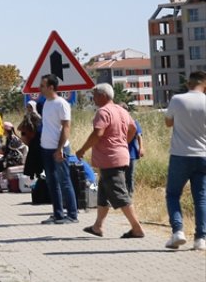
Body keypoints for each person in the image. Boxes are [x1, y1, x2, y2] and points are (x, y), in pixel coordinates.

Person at [75, 83, 145, 239]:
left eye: (95, 95)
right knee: (103, 194)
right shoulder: (122, 111)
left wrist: (82, 149)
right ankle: (97, 226)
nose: (93, 99)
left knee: (120, 195)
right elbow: (133, 129)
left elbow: (97, 133)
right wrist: (123, 143)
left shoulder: (103, 112)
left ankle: (136, 228)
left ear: (103, 96)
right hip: (119, 156)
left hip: (110, 158)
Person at [164, 70, 206, 250]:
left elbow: (168, 123)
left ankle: (178, 231)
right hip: (203, 155)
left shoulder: (177, 100)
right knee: (201, 198)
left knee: (173, 194)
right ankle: (201, 239)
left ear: (188, 83)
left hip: (180, 154)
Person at [39, 74, 78, 225]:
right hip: (46, 148)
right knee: (51, 181)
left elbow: (66, 127)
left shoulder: (61, 103)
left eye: (42, 86)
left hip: (59, 148)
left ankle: (72, 215)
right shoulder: (46, 103)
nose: (40, 88)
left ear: (51, 87)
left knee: (64, 181)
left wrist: (60, 148)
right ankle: (58, 214)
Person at [124, 104, 143, 195]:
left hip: (131, 153)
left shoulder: (133, 122)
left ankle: (130, 194)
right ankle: (124, 193)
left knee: (130, 175)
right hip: (120, 153)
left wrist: (141, 148)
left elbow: (139, 136)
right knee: (122, 175)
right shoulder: (118, 122)